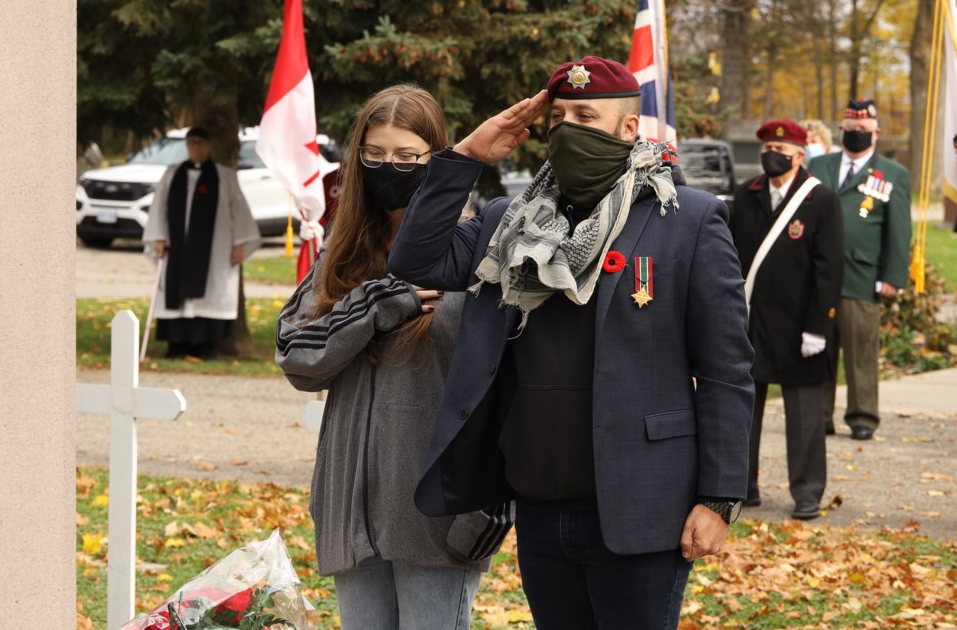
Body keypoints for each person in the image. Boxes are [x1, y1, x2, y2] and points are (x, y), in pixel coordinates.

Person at [389, 57, 754, 629]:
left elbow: (727, 371)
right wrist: (467, 157)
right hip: (539, 502)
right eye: (558, 117)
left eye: (587, 115)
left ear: (628, 128)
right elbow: (416, 259)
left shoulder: (687, 218)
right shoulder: (509, 220)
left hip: (642, 506)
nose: (568, 129)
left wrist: (719, 498)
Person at [274, 85, 512, 630]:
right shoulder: (342, 251)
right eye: (376, 155)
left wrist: (487, 508)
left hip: (436, 516)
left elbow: (500, 382)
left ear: (437, 156)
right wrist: (373, 306)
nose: (391, 168)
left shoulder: (477, 248)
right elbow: (297, 357)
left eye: (407, 157)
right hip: (350, 515)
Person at [730, 120, 844, 520]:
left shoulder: (821, 200)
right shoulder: (746, 195)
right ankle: (741, 486)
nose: (770, 153)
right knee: (742, 410)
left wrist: (819, 327)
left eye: (779, 147)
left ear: (799, 154)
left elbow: (829, 271)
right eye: (766, 147)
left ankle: (808, 491)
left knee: (805, 415)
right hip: (752, 323)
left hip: (801, 325)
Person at [808, 99, 912, 440]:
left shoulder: (893, 175)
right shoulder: (819, 166)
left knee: (861, 350)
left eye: (863, 131)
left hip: (863, 277)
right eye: (851, 130)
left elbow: (898, 231)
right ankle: (818, 414)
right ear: (841, 131)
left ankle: (863, 415)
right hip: (818, 275)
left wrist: (894, 276)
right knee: (817, 347)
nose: (856, 134)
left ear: (877, 133)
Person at [142, 126, 261, 360]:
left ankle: (206, 347)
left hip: (215, 250)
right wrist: (158, 236)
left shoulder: (224, 176)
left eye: (200, 142)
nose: (195, 147)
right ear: (187, 146)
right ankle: (176, 346)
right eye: (191, 142)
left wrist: (240, 243)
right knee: (177, 292)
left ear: (208, 146)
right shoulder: (172, 173)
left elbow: (239, 211)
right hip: (177, 248)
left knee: (209, 293)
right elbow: (158, 206)